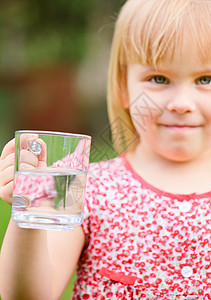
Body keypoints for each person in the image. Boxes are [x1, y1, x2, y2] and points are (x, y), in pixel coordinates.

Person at [1, 0, 211, 298]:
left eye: (205, 79)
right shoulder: (84, 184)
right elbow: (28, 296)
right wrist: (29, 215)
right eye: (158, 78)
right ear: (124, 87)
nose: (181, 103)